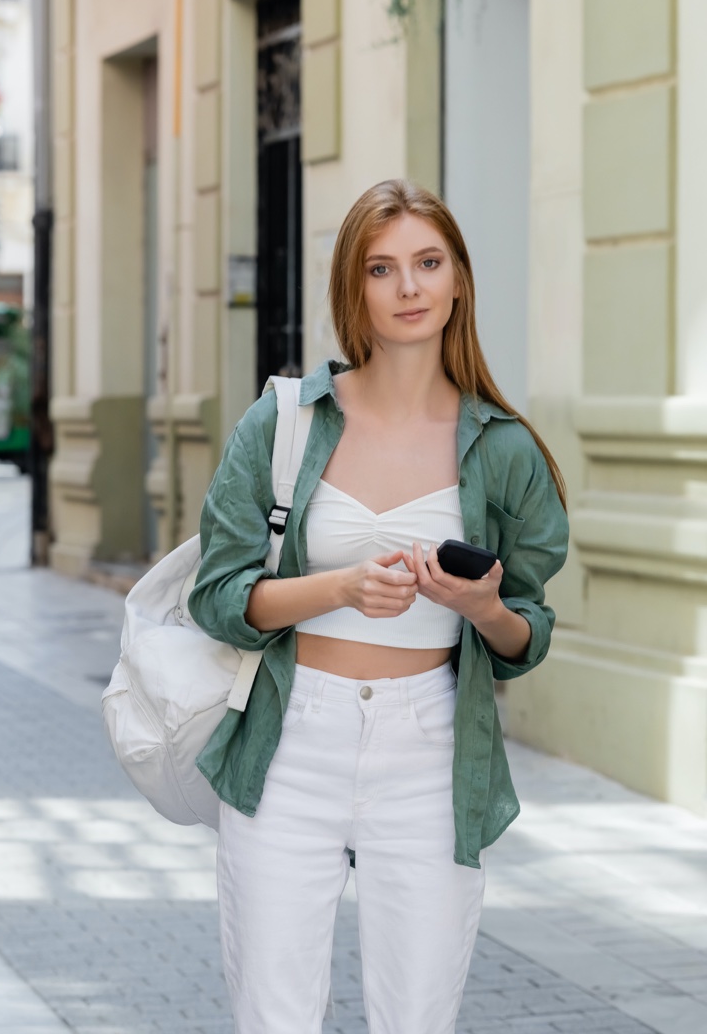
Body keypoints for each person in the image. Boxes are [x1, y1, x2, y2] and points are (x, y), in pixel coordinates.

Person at [189, 179, 569, 1034]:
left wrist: (479, 605)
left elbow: (528, 632)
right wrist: (343, 587)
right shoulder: (284, 420)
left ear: (459, 279)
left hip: (431, 746)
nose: (409, 288)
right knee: (273, 1015)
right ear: (351, 288)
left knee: (417, 1018)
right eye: (382, 268)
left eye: (428, 263)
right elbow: (217, 598)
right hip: (291, 739)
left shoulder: (502, 448)